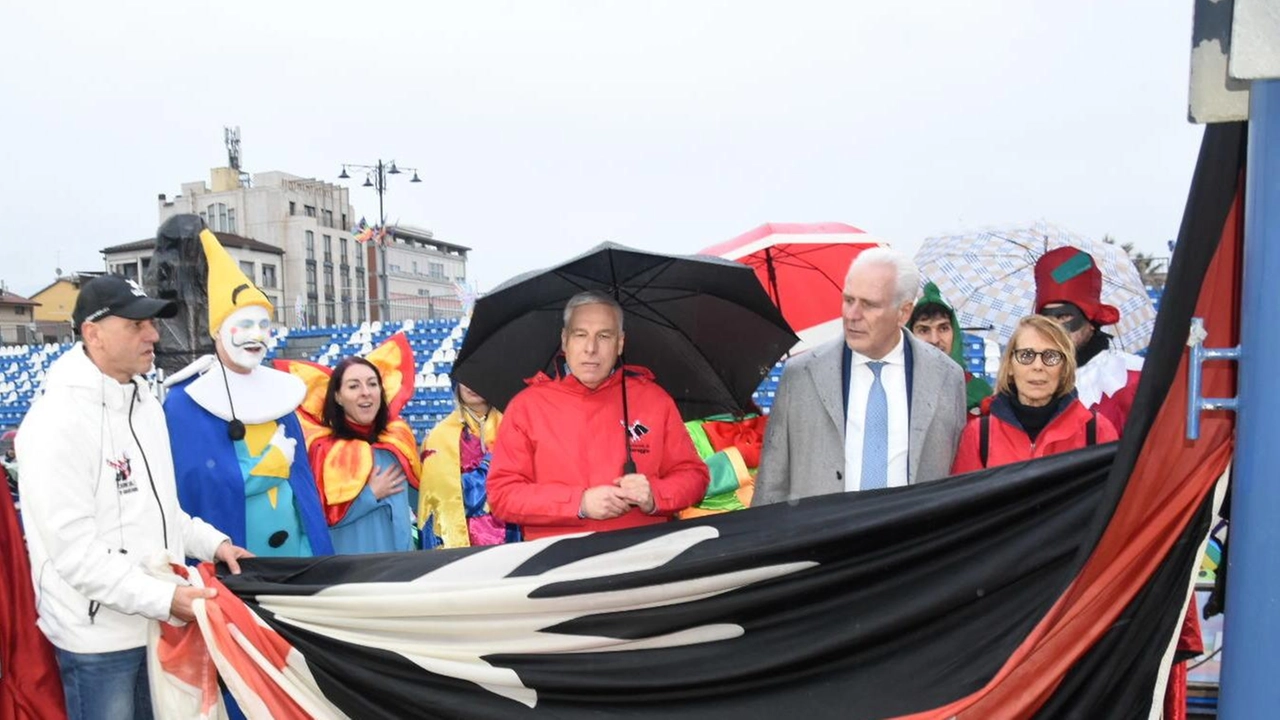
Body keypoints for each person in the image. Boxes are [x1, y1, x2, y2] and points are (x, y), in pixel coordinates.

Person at [17, 274, 252, 720]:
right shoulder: (56, 422)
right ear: (94, 334)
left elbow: (163, 511)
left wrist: (213, 543)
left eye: (153, 324)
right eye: (136, 325)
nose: (153, 335)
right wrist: (167, 600)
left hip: (155, 624)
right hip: (100, 640)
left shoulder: (144, 403)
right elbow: (75, 553)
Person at [164, 228, 333, 558]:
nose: (256, 335)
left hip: (296, 560)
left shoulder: (279, 394)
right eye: (244, 325)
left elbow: (301, 487)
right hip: (237, 562)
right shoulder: (187, 403)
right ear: (218, 331)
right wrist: (270, 467)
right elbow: (201, 488)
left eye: (263, 325)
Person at [487, 291, 710, 540]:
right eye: (580, 335)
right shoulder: (526, 407)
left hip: (645, 555)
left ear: (621, 343)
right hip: (558, 560)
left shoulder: (655, 399)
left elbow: (694, 476)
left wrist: (654, 494)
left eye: (604, 336)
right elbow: (502, 495)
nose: (591, 348)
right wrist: (579, 503)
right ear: (564, 340)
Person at [754, 248, 967, 505]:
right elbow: (771, 486)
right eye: (848, 300)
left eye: (869, 304)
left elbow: (956, 479)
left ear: (904, 313)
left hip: (913, 541)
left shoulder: (946, 377)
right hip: (822, 539)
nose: (852, 315)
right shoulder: (800, 375)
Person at [950, 315, 1119, 473]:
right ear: (1009, 366)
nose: (1038, 366)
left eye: (1051, 356)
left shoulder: (1097, 431)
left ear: (1064, 369)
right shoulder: (980, 435)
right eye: (1026, 355)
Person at [304, 354, 422, 554]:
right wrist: (370, 495)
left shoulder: (397, 441)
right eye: (353, 386)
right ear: (337, 396)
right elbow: (318, 516)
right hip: (354, 568)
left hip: (401, 566)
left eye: (372, 384)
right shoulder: (324, 450)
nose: (365, 392)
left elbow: (424, 499)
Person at [1033, 246, 1143, 432]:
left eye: (1064, 317)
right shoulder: (1026, 381)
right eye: (1047, 319)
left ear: (1091, 320)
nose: (1055, 330)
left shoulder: (1131, 381)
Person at [418, 382, 519, 548]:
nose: (472, 384)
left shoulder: (514, 427)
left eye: (480, 377)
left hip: (513, 536)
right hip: (464, 544)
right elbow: (445, 496)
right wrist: (489, 465)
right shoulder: (440, 437)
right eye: (464, 379)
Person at [908, 281, 993, 412]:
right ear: (910, 335)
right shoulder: (898, 388)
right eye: (924, 330)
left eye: (943, 328)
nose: (934, 339)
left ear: (955, 333)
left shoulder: (979, 392)